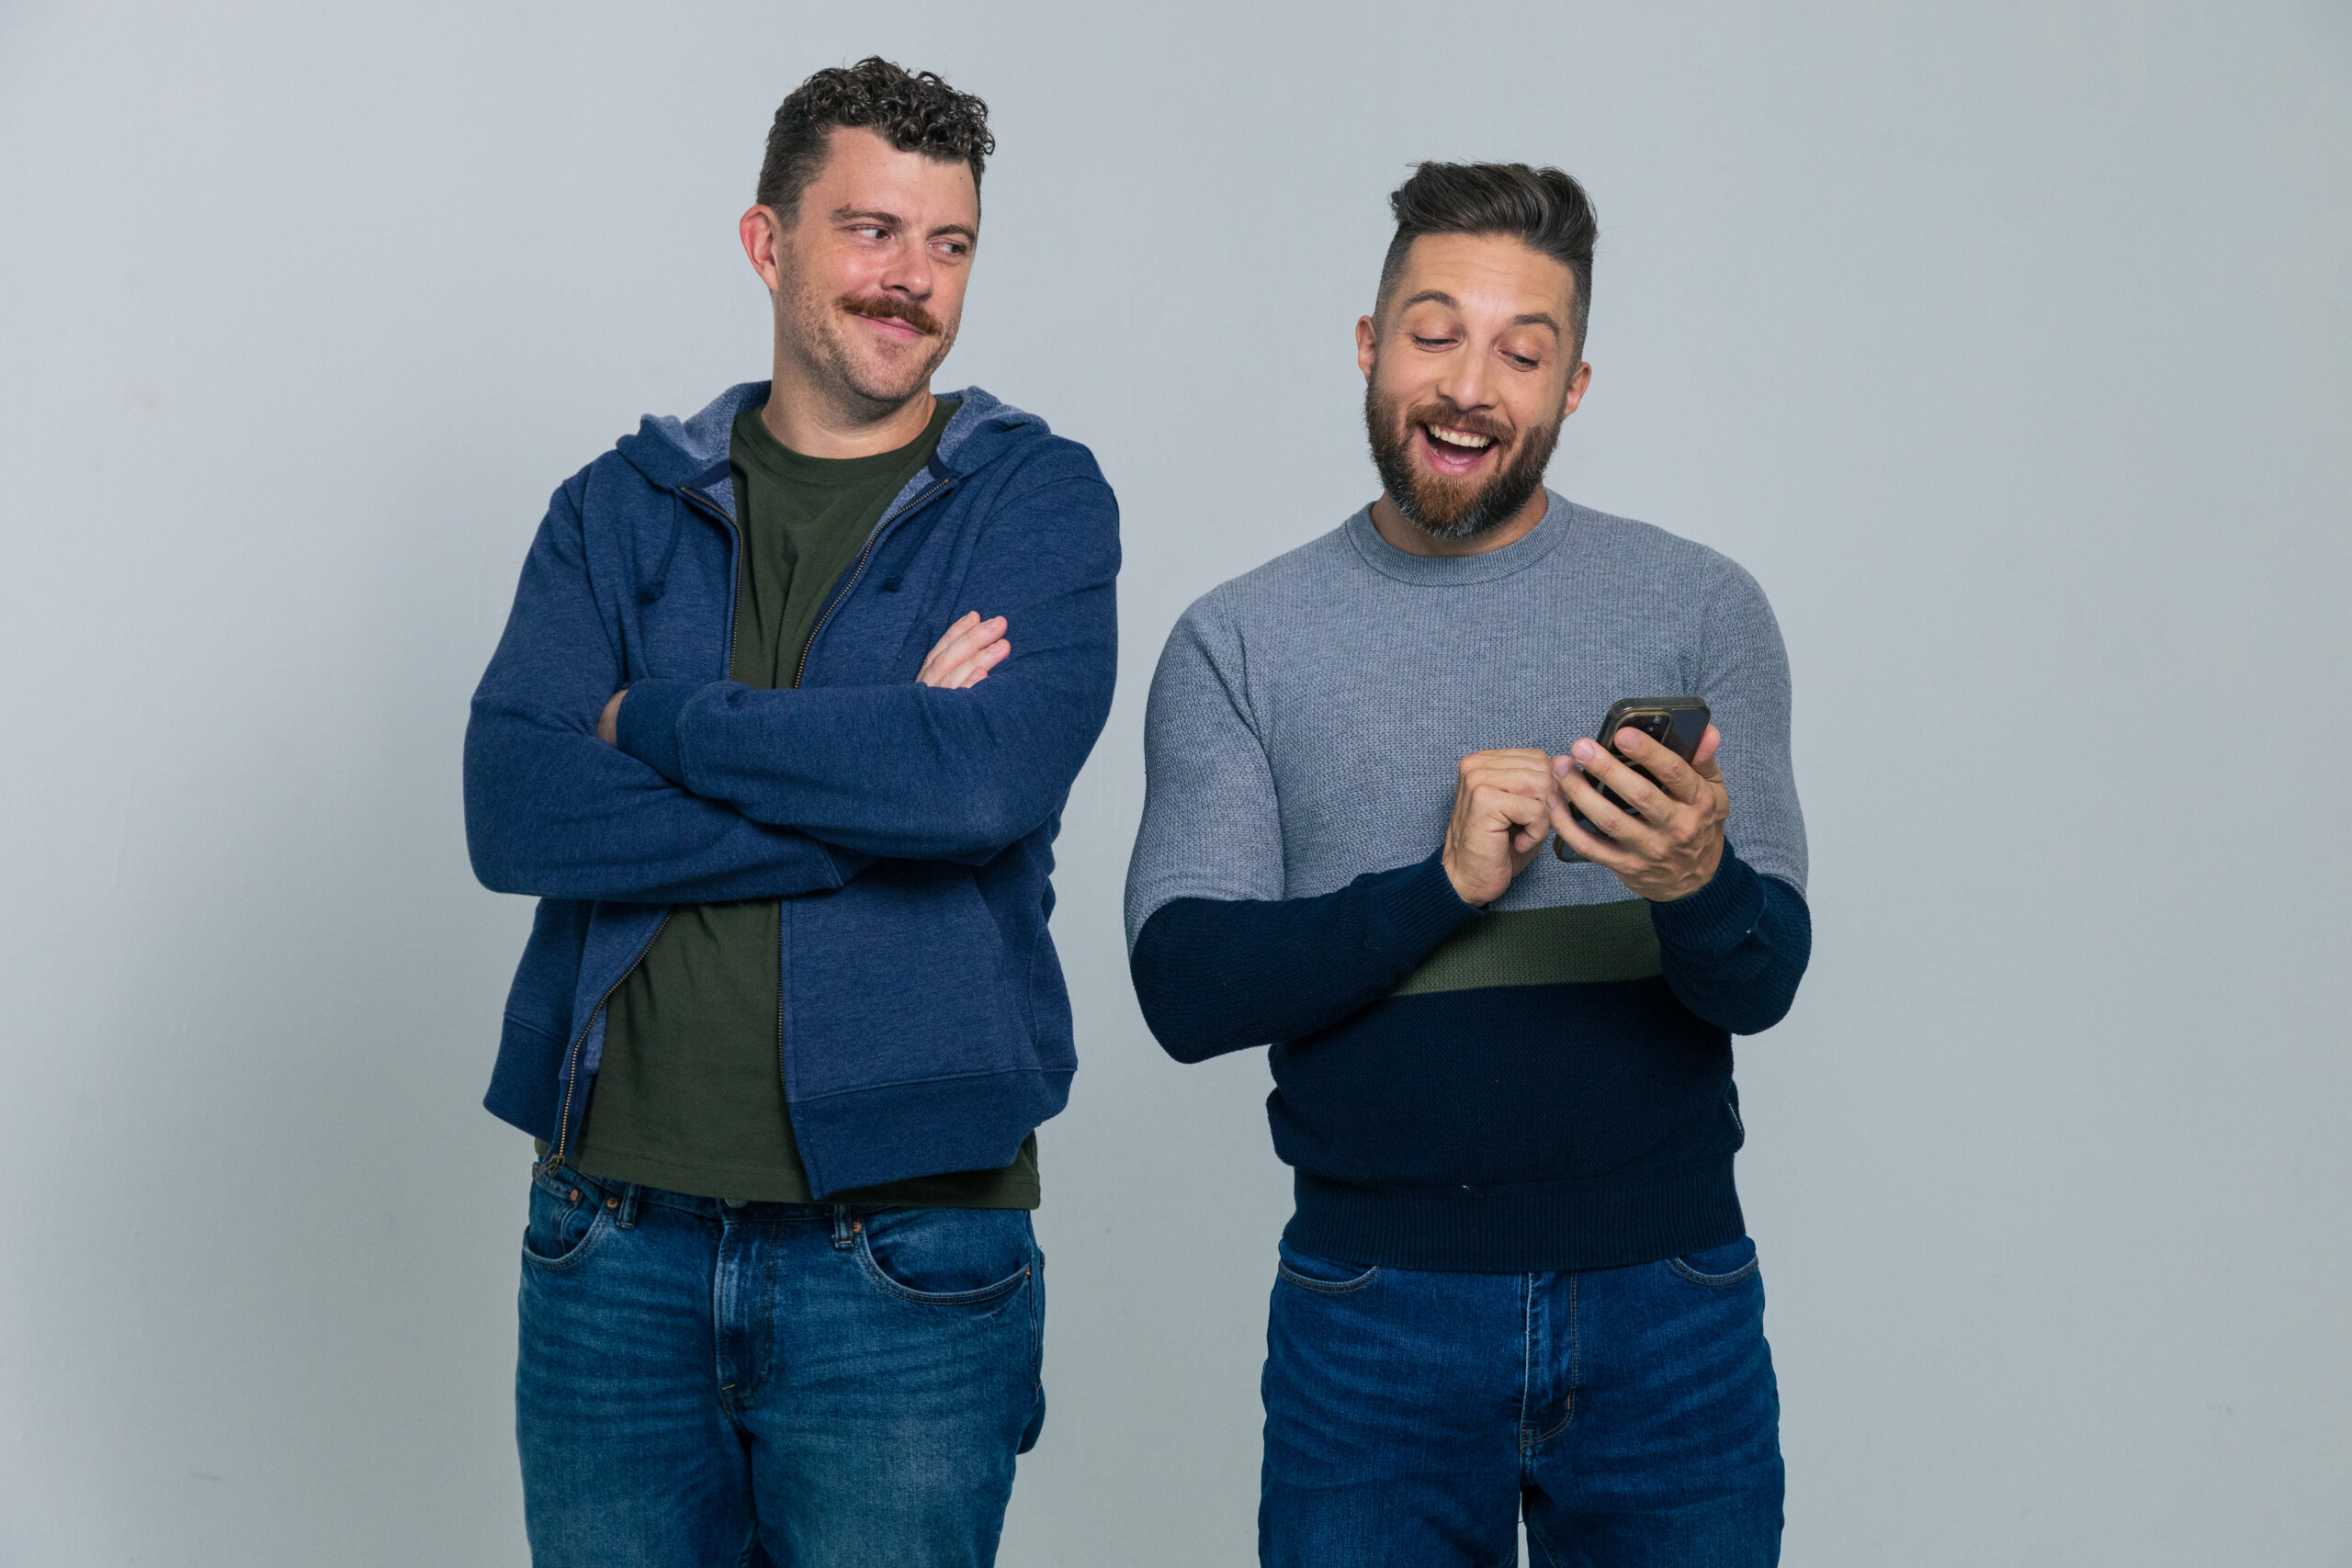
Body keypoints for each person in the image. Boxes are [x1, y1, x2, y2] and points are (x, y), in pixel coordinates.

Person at [463, 57, 1119, 1568]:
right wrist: (881, 785)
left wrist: (658, 722)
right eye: (872, 231)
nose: (913, 280)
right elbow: (516, 807)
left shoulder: (1032, 501)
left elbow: (983, 783)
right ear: (770, 243)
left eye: (949, 244)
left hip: (907, 1249)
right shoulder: (616, 508)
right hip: (612, 1234)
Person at [1125, 163, 1810, 1566]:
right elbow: (1186, 991)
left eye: (1523, 353)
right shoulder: (1238, 640)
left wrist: (1696, 879)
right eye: (1435, 334)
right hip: (1373, 1314)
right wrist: (1437, 888)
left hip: (1670, 1307)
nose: (1470, 388)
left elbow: (1763, 980)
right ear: (1368, 344)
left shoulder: (1701, 608)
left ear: (1576, 387)